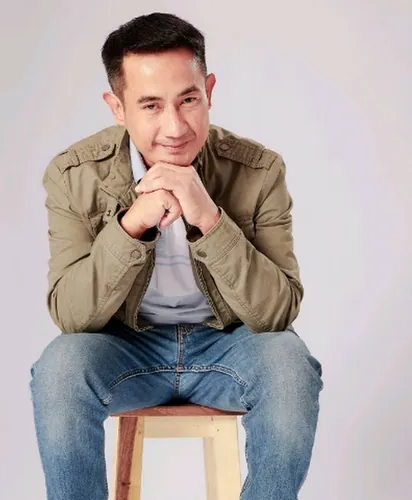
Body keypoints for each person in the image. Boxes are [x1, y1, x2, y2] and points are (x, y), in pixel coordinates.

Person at [29, 12, 323, 500]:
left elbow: (278, 313)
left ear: (209, 90)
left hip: (229, 346)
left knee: (291, 367)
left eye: (189, 100)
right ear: (117, 107)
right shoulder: (72, 174)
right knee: (60, 369)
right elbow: (71, 316)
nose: (175, 126)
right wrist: (132, 225)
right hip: (125, 348)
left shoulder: (260, 170)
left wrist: (209, 218)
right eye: (150, 105)